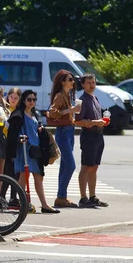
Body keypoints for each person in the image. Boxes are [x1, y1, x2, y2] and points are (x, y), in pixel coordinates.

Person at [7, 89, 59, 214]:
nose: (32, 102)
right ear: (24, 100)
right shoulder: (18, 114)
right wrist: (20, 138)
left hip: (35, 150)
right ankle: (24, 203)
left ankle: (44, 204)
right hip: (25, 149)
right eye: (29, 99)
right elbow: (12, 132)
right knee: (24, 176)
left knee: (39, 176)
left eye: (34, 99)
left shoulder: (34, 114)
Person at [47, 69, 81, 208]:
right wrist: (71, 110)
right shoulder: (60, 96)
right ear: (62, 82)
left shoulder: (67, 95)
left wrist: (72, 110)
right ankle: (61, 196)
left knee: (65, 165)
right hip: (63, 132)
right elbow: (53, 113)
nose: (72, 82)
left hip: (69, 131)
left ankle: (61, 196)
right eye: (70, 79)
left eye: (72, 79)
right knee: (70, 165)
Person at [75, 73, 109, 208]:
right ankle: (83, 198)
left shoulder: (95, 98)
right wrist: (96, 122)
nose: (91, 85)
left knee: (94, 167)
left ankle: (92, 196)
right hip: (89, 135)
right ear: (83, 84)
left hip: (98, 136)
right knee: (86, 167)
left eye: (93, 82)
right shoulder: (81, 100)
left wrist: (103, 122)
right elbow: (78, 121)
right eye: (88, 83)